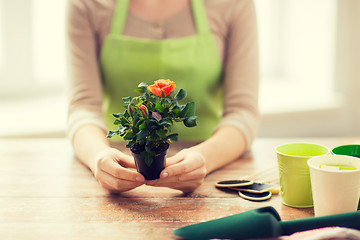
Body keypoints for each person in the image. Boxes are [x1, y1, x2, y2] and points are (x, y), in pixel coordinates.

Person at [66, 0, 259, 193]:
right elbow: (84, 107)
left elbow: (242, 111)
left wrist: (205, 158)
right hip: (121, 171)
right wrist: (98, 155)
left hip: (212, 176)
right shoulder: (87, 4)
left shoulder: (234, 4)